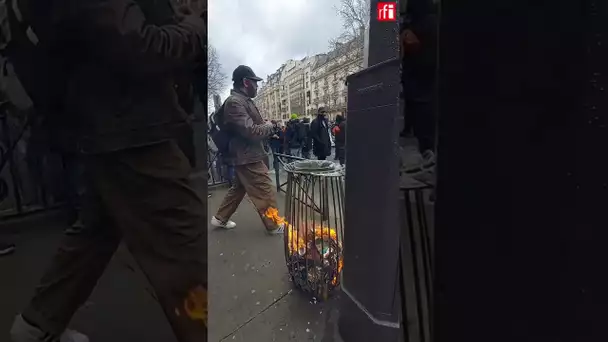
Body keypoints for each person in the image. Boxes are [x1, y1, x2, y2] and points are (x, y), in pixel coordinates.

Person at [9, 1, 208, 342]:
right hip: (132, 128)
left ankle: (38, 323)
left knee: (96, 231)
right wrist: (194, 29)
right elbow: (137, 45)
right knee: (188, 256)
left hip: (106, 123)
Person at [210, 65, 284, 235]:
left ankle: (220, 218)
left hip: (244, 154)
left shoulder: (241, 101)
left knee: (238, 188)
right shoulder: (235, 102)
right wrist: (269, 126)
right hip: (247, 156)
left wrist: (266, 129)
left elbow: (249, 128)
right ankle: (274, 225)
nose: (257, 86)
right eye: (255, 82)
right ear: (245, 82)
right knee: (265, 189)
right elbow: (251, 131)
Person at [400, 0, 438, 173]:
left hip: (418, 77)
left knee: (421, 111)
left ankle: (427, 153)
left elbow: (408, 47)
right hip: (427, 76)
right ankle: (428, 152)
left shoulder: (416, 25)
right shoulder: (434, 20)